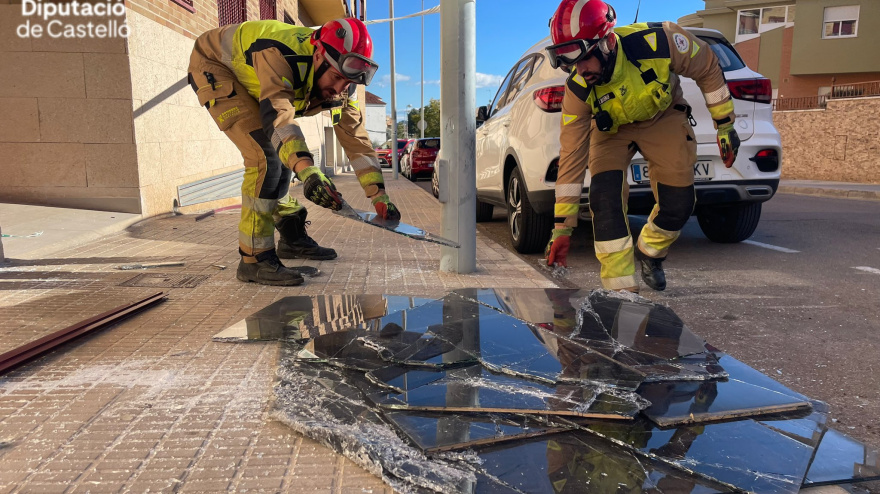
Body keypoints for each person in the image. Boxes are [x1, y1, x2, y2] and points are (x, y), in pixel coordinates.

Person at [543, 0, 740, 293]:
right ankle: (620, 290)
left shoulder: (662, 42)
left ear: (608, 42)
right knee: (604, 199)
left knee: (679, 205)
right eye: (570, 61)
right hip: (610, 132)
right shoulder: (578, 90)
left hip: (663, 116)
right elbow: (571, 157)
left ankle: (650, 251)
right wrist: (562, 227)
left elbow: (707, 67)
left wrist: (724, 124)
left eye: (584, 58)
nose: (579, 69)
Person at [188, 18, 400, 286]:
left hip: (252, 77)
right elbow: (280, 116)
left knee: (285, 154)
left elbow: (354, 137)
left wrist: (378, 196)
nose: (338, 89)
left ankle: (292, 237)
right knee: (265, 158)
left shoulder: (347, 85)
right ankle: (254, 260)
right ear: (319, 54)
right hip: (215, 66)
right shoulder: (279, 53)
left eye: (346, 83)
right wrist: (308, 171)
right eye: (335, 77)